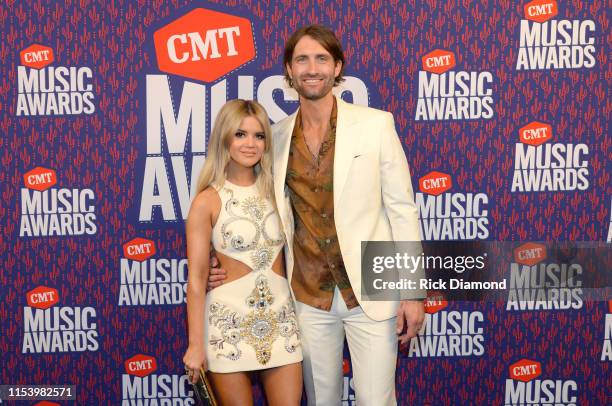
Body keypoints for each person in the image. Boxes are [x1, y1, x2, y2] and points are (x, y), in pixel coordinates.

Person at [209, 25, 426, 405]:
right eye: (302, 60)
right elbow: (252, 207)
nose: (313, 68)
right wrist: (225, 262)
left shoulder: (376, 125)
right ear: (289, 71)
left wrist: (411, 291)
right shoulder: (273, 138)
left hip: (372, 293)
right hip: (307, 299)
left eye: (322, 59)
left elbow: (402, 211)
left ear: (337, 66)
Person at [183, 99, 303, 406]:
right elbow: (196, 281)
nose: (250, 143)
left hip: (281, 324)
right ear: (225, 138)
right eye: (240, 134)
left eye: (259, 135)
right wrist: (195, 345)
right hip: (227, 328)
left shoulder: (280, 193)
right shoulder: (206, 201)